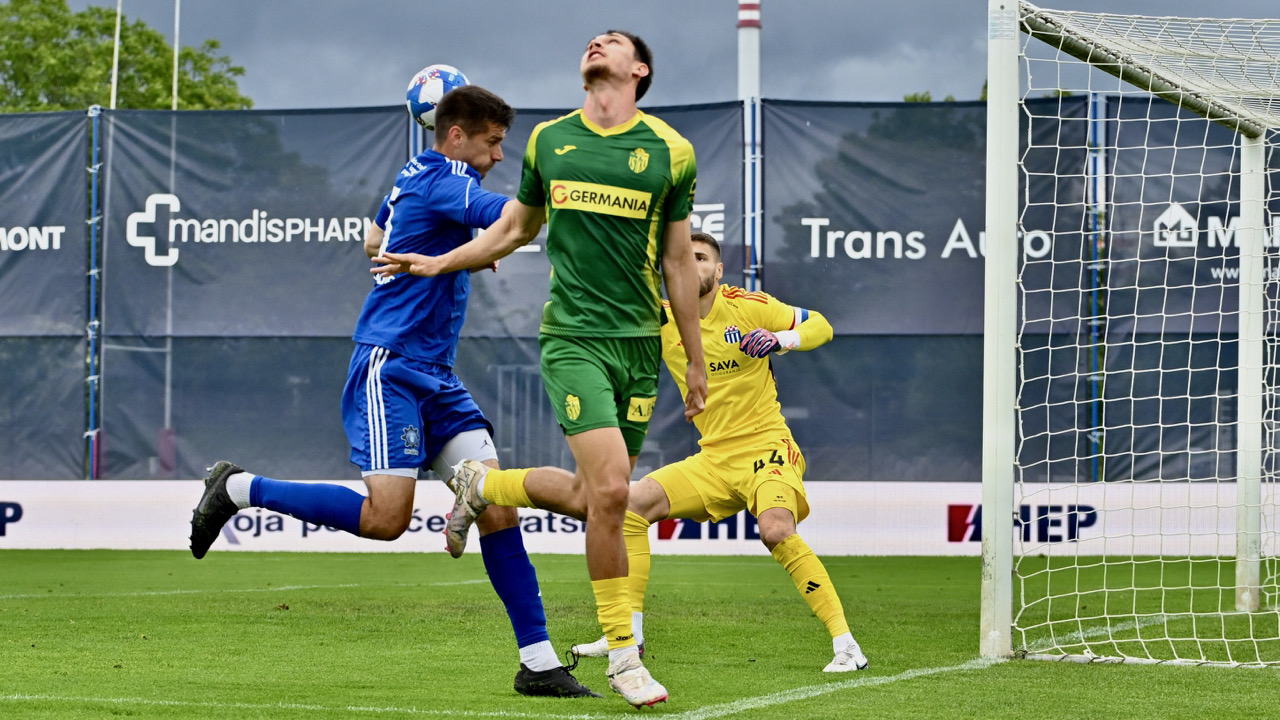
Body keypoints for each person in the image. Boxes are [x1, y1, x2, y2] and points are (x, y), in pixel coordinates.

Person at [188, 84, 599, 699]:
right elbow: (514, 218)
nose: (497, 156)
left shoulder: (414, 175)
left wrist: (455, 250)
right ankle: (239, 488)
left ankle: (538, 663)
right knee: (386, 520)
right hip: (392, 365)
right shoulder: (447, 179)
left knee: (498, 506)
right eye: (492, 144)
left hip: (436, 373)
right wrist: (577, 195)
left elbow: (372, 241)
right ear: (455, 136)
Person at [369, 30, 706, 708]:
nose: (598, 43)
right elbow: (516, 227)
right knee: (612, 491)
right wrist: (440, 261)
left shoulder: (673, 152)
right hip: (574, 339)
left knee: (595, 498)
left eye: (614, 41)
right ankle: (624, 658)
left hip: (640, 344)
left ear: (639, 70)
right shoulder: (551, 142)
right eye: (593, 40)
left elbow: (677, 261)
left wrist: (694, 360)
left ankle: (482, 484)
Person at [568, 233, 870, 673]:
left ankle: (847, 646)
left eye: (702, 257)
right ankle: (628, 636)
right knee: (629, 507)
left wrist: (781, 339)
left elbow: (821, 325)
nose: (692, 265)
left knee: (775, 529)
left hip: (766, 446)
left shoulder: (747, 305)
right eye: (683, 258)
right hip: (713, 459)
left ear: (719, 269)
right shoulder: (660, 317)